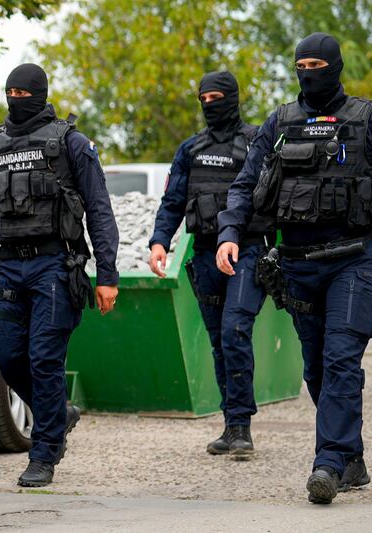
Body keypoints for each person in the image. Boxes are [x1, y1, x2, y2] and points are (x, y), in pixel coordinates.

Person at [216, 32, 372, 504]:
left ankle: (328, 463)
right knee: (316, 367)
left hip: (353, 259)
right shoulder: (280, 122)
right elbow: (245, 184)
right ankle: (351, 457)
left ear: (334, 65)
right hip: (296, 264)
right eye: (301, 64)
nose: (308, 71)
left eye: (316, 63)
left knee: (340, 359)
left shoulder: (371, 121)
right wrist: (230, 233)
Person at [0, 63, 119, 487]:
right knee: (7, 356)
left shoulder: (70, 142)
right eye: (10, 92)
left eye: (24, 93)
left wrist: (107, 274)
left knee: (44, 359)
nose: (16, 99)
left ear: (39, 94)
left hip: (55, 266)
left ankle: (43, 453)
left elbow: (99, 209)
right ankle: (59, 411)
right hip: (8, 266)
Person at [148, 71, 275, 460]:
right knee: (221, 340)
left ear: (233, 98)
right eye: (204, 98)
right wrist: (159, 242)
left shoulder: (256, 143)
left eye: (217, 97)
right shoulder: (191, 149)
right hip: (204, 254)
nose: (209, 104)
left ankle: (242, 427)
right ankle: (232, 424)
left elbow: (274, 195)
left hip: (247, 250)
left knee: (236, 329)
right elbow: (172, 201)